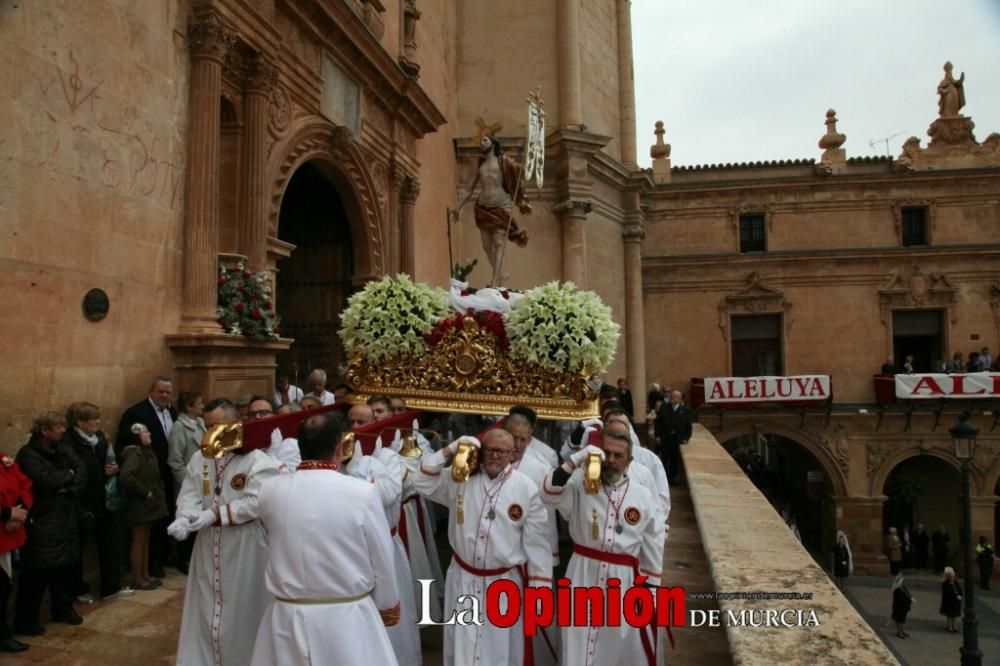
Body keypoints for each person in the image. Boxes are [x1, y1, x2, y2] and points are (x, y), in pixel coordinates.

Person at [250, 413, 401, 666]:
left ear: (300, 448)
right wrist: (387, 604)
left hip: (288, 617)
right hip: (347, 619)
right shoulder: (362, 492)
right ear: (340, 448)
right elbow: (382, 556)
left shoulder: (269, 490)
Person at [413, 430, 551, 666]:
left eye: (502, 451)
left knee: (499, 647)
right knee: (464, 644)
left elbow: (537, 542)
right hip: (463, 578)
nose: (495, 456)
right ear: (481, 450)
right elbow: (421, 481)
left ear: (512, 455)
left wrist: (540, 591)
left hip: (503, 583)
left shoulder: (525, 488)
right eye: (490, 449)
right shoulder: (459, 479)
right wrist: (449, 450)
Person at [169, 398, 282, 666]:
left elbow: (259, 501)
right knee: (206, 605)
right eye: (207, 427)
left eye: (217, 426)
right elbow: (190, 492)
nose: (211, 434)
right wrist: (185, 518)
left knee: (243, 609)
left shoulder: (256, 459)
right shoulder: (201, 457)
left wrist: (217, 514)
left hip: (244, 545)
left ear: (234, 424)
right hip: (208, 543)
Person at [541, 426, 665, 665]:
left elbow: (653, 546)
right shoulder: (579, 483)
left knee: (617, 640)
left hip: (624, 580)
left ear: (629, 461)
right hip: (583, 572)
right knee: (578, 633)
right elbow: (547, 492)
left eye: (618, 456)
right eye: (606, 453)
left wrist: (650, 593)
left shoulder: (643, 496)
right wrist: (575, 460)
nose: (611, 460)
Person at [14, 412, 87, 634]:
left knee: (64, 569)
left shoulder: (63, 448)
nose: (63, 430)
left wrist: (66, 484)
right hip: (44, 520)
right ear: (44, 431)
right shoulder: (28, 454)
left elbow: (82, 471)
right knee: (36, 574)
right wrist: (67, 476)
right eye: (58, 427)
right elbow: (45, 481)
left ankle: (63, 609)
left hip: (66, 518)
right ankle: (26, 621)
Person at [63, 402, 131, 603]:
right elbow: (74, 470)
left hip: (104, 499)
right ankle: (77, 590)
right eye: (94, 419)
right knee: (78, 548)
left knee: (109, 543)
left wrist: (112, 467)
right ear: (80, 422)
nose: (99, 422)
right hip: (82, 501)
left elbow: (107, 460)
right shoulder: (68, 441)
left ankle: (111, 586)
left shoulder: (99, 438)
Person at [116, 375, 177, 577]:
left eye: (168, 391)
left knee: (164, 517)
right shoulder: (136, 413)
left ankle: (162, 556)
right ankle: (149, 565)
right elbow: (124, 445)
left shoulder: (173, 412)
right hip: (146, 479)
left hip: (166, 475)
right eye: (161, 391)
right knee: (148, 527)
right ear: (151, 391)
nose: (165, 395)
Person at [449, 131, 531, 282]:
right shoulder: (481, 165)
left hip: (500, 205)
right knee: (487, 246)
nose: (482, 143)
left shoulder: (503, 162)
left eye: (485, 140)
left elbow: (516, 178)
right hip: (483, 206)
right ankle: (500, 273)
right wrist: (458, 207)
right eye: (481, 141)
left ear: (493, 144)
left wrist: (521, 201)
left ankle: (494, 282)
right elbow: (469, 189)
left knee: (499, 243)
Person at [119, 423, 168, 591]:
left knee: (146, 539)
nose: (149, 434)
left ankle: (145, 574)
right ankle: (138, 578)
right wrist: (144, 492)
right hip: (140, 504)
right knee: (139, 540)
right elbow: (126, 477)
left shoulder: (147, 451)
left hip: (150, 504)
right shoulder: (135, 454)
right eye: (146, 432)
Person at [166, 391, 205, 573]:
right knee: (187, 520)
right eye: (199, 403)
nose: (203, 406)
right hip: (188, 483)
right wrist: (187, 484)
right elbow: (175, 460)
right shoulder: (179, 428)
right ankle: (184, 560)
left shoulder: (201, 423)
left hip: (203, 481)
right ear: (189, 406)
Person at [0, 451, 32, 652]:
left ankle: (3, 634)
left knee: (4, 586)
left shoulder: (4, 459)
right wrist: (7, 514)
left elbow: (24, 483)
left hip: (7, 533)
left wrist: (19, 510)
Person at [655, 390, 692, 484]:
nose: (672, 398)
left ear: (679, 399)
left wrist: (686, 438)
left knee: (674, 460)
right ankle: (663, 479)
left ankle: (671, 478)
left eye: (674, 397)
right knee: (664, 459)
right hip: (665, 438)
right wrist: (657, 436)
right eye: (671, 396)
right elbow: (658, 423)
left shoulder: (685, 410)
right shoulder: (664, 408)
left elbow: (688, 427)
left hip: (677, 439)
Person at [940, 567, 962, 633]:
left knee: (955, 615)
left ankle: (954, 626)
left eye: (953, 576)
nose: (953, 578)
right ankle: (949, 626)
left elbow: (960, 590)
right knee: (949, 615)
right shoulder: (945, 584)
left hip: (956, 602)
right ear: (948, 577)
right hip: (949, 602)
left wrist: (960, 595)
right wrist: (955, 596)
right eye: (951, 576)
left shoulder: (956, 583)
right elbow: (947, 593)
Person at [891, 572, 913, 638]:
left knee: (902, 620)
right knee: (898, 620)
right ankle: (899, 632)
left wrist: (910, 598)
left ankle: (902, 631)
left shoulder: (904, 588)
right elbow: (899, 599)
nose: (904, 582)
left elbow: (908, 594)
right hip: (899, 608)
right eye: (903, 581)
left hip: (904, 607)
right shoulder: (897, 590)